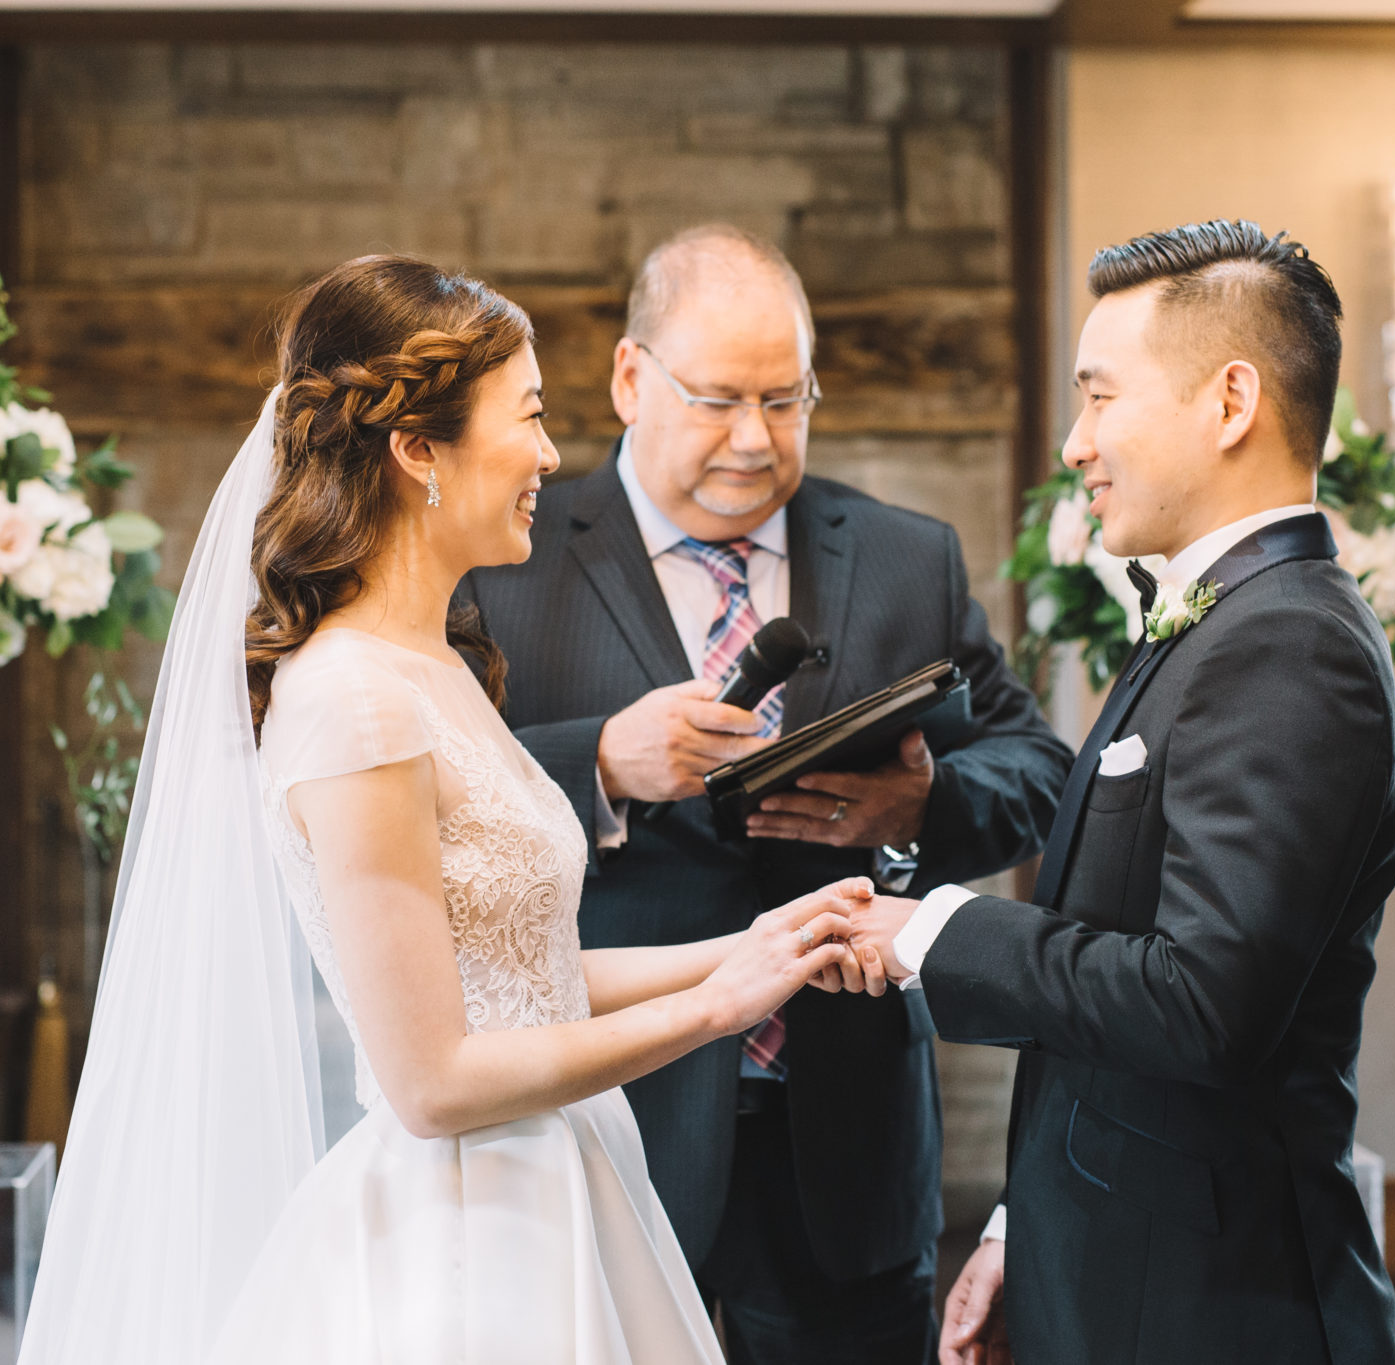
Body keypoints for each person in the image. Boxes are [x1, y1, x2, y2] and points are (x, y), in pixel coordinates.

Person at [16, 255, 891, 1365]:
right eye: (528, 416)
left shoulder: (435, 668)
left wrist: (757, 945)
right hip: (471, 1234)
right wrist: (718, 1007)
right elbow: (431, 1081)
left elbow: (522, 977)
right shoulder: (352, 699)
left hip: (556, 1183)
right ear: (418, 449)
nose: (550, 455)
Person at [458, 225, 1074, 1364]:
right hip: (611, 1115)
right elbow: (433, 804)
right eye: (718, 401)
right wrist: (600, 763)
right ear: (631, 378)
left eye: (786, 401)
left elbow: (1037, 765)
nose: (755, 438)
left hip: (845, 1137)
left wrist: (917, 811)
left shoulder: (905, 557)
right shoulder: (508, 560)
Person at [847, 220, 1395, 1365]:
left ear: (1229, 402)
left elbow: (1197, 1004)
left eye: (1099, 398)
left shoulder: (1288, 644)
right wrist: (1023, 1224)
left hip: (1212, 1310)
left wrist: (931, 932)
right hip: (1121, 1260)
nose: (1074, 443)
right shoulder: (1214, 622)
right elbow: (1114, 976)